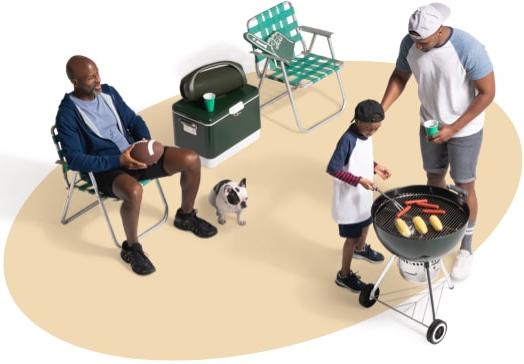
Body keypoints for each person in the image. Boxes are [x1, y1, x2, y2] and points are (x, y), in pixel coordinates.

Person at [56, 55, 217, 276]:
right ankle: (131, 248)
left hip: (135, 154)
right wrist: (119, 160)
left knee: (191, 159)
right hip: (106, 168)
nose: (98, 80)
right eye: (91, 77)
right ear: (75, 81)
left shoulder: (109, 92)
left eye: (98, 73)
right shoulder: (67, 113)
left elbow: (134, 121)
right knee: (134, 191)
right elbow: (74, 159)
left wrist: (144, 143)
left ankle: (185, 216)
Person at [381, 3, 495, 281]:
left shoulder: (468, 48)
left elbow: (487, 93)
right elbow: (400, 75)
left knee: (465, 186)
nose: (417, 46)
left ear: (440, 30)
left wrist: (454, 127)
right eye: (414, 40)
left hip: (465, 128)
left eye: (424, 41)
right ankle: (440, 231)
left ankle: (466, 248)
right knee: (434, 181)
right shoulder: (410, 43)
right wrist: (382, 109)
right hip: (430, 124)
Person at [327, 100, 391, 292]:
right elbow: (333, 168)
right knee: (352, 237)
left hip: (363, 194)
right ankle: (344, 275)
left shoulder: (366, 134)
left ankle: (361, 250)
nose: (372, 133)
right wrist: (359, 180)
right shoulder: (347, 139)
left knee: (366, 222)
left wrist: (376, 166)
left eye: (376, 130)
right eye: (370, 129)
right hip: (349, 197)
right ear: (358, 122)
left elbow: (361, 157)